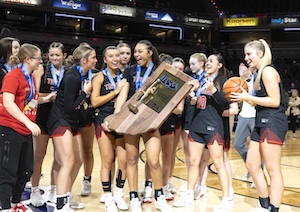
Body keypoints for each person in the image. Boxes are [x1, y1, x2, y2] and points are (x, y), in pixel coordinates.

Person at [230, 39, 288, 212]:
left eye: (249, 54)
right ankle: (263, 204)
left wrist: (247, 98)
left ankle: (274, 208)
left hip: (273, 122)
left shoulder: (268, 71)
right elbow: (261, 101)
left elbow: (275, 100)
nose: (246, 58)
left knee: (272, 169)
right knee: (252, 164)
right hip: (261, 120)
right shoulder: (256, 74)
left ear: (260, 54)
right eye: (245, 54)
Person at [115, 40, 172, 212]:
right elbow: (122, 95)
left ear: (149, 52)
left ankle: (159, 196)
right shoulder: (130, 70)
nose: (136, 55)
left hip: (151, 120)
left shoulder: (160, 71)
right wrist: (116, 117)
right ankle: (133, 198)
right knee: (131, 159)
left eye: (140, 52)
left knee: (154, 161)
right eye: (135, 52)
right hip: (131, 120)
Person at [173, 54, 231, 212]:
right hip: (196, 125)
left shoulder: (223, 82)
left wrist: (214, 91)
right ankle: (189, 195)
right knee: (193, 162)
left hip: (213, 127)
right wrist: (193, 98)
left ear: (219, 65)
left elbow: (225, 106)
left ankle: (226, 199)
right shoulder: (201, 80)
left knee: (219, 164)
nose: (208, 63)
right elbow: (201, 103)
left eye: (211, 61)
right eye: (208, 61)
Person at [47, 44, 95, 211]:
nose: (96, 60)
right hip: (60, 120)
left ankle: (66, 194)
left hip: (71, 122)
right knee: (67, 161)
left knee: (77, 160)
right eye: (93, 58)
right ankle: (60, 204)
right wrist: (85, 93)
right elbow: (69, 106)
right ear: (84, 60)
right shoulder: (72, 76)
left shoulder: (80, 74)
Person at [0, 43, 42, 212]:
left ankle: (15, 203)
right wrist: (28, 122)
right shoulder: (13, 76)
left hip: (25, 130)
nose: (40, 61)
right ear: (28, 59)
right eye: (38, 58)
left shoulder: (30, 77)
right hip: (10, 129)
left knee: (25, 170)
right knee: (8, 171)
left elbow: (27, 101)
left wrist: (45, 100)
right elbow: (8, 104)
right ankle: (4, 206)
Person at [91, 46, 128, 211]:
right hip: (103, 121)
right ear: (104, 59)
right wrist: (115, 92)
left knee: (124, 161)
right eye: (110, 56)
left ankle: (118, 194)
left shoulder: (126, 76)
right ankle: (107, 196)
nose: (115, 58)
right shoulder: (99, 77)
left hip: (122, 122)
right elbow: (94, 101)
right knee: (107, 160)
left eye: (117, 56)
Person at [30, 42, 66, 207]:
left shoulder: (68, 71)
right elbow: (34, 95)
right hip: (43, 117)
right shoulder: (41, 70)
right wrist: (50, 96)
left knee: (59, 157)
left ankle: (53, 188)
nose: (54, 58)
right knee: (39, 156)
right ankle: (35, 189)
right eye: (51, 55)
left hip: (59, 118)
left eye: (57, 55)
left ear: (64, 56)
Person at [180, 53, 207, 194]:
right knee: (187, 151)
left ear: (202, 63)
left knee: (200, 156)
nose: (191, 67)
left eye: (193, 64)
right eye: (190, 64)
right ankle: (191, 180)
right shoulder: (191, 79)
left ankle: (201, 185)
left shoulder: (206, 79)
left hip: (199, 118)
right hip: (187, 115)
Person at [233, 61, 257, 182]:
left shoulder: (256, 79)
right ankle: (251, 167)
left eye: (243, 68)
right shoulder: (238, 83)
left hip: (255, 116)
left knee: (257, 147)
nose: (241, 70)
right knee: (237, 144)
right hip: (244, 115)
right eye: (239, 68)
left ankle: (257, 174)